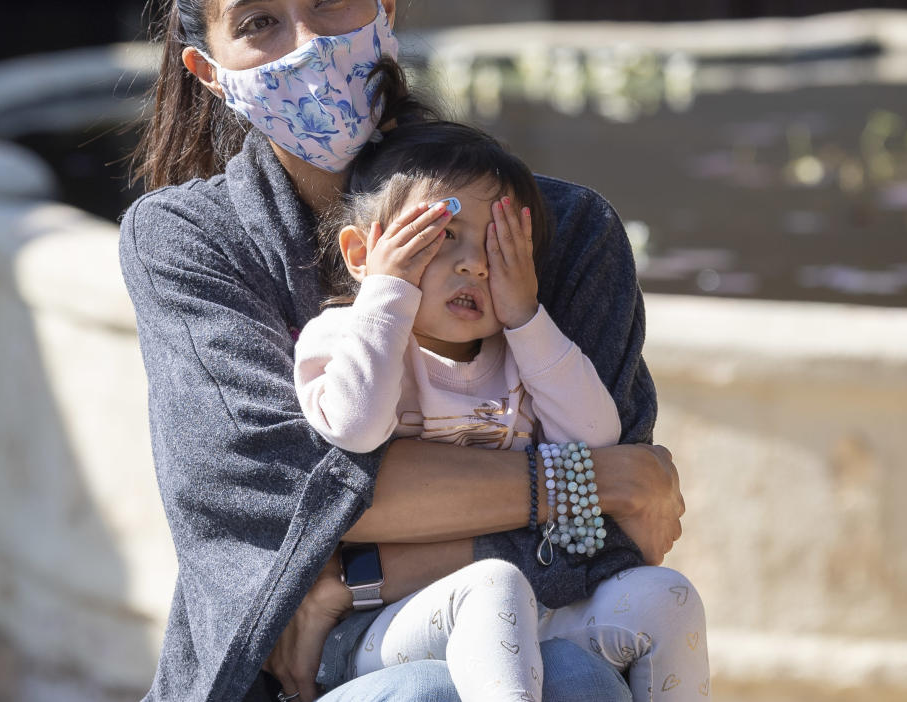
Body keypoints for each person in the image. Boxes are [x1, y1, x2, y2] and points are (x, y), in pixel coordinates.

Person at [119, 0, 686, 702]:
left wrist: (344, 580)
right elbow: (273, 499)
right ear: (209, 70)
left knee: (570, 674)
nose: (307, 43)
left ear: (385, 1)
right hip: (293, 686)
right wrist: (588, 479)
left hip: (539, 647)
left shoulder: (563, 232)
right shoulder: (188, 242)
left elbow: (618, 543)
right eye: (259, 24)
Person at [294, 120, 711, 701]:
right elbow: (357, 428)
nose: (476, 265)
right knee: (492, 584)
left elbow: (597, 436)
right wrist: (387, 293)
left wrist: (526, 318)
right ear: (363, 252)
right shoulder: (342, 335)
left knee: (666, 597)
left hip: (529, 608)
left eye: (499, 246)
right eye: (441, 235)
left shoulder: (524, 355)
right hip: (378, 628)